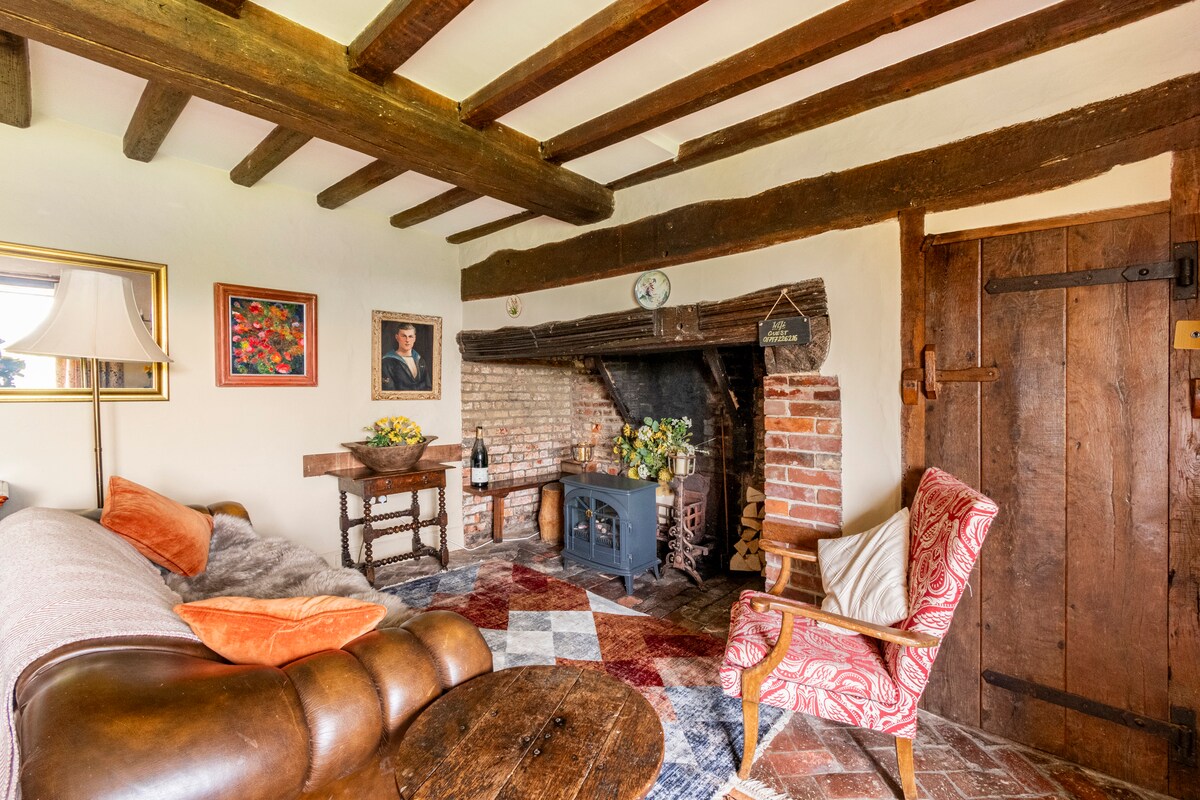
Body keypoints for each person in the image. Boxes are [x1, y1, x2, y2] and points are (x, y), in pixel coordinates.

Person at [381, 322, 431, 391]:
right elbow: (388, 390)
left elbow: (428, 387)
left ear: (414, 338)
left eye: (410, 336)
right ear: (397, 337)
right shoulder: (387, 362)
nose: (407, 340)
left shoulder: (420, 361)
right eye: (404, 336)